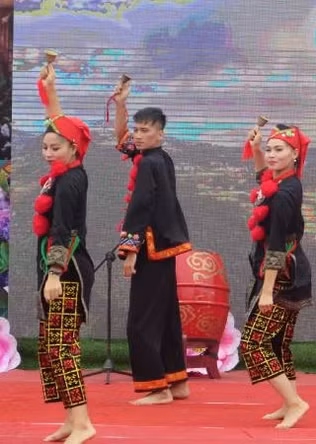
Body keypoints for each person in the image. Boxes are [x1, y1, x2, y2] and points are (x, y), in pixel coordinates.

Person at [111, 79, 192, 405]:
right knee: (167, 318)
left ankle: (156, 387)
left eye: (146, 130)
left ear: (160, 134)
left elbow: (140, 208)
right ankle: (177, 382)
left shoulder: (148, 163)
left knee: (141, 322)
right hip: (164, 248)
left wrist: (129, 252)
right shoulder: (160, 158)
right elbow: (121, 141)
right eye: (138, 129)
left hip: (150, 248)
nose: (138, 135)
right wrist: (120, 105)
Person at [34, 62, 96, 443]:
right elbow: (58, 122)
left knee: (64, 348)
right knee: (53, 348)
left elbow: (65, 230)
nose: (47, 152)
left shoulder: (71, 180)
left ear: (74, 148)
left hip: (68, 268)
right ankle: (72, 421)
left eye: (54, 147)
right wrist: (51, 91)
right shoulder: (63, 172)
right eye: (43, 146)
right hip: (57, 267)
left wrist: (55, 273)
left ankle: (84, 422)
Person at [239, 123, 312, 428]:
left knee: (253, 344)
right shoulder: (279, 182)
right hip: (287, 270)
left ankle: (295, 402)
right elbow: (263, 178)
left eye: (278, 150)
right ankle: (288, 402)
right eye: (269, 149)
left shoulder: (285, 194)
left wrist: (267, 291)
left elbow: (277, 245)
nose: (271, 155)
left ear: (295, 154)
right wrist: (257, 149)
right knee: (278, 343)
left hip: (281, 273)